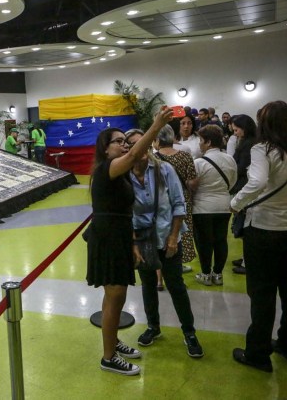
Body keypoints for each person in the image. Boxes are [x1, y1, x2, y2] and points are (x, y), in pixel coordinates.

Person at [85, 107, 173, 376]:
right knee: (115, 296)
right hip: (108, 237)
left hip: (118, 236)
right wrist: (155, 126)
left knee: (114, 297)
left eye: (125, 141)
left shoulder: (118, 173)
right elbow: (136, 153)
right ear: (105, 148)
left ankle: (112, 343)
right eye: (118, 141)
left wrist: (132, 242)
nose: (124, 145)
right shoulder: (107, 169)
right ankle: (108, 357)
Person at [230, 100, 287, 372]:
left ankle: (258, 352)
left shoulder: (262, 149)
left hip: (264, 230)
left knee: (262, 294)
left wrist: (236, 203)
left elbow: (257, 182)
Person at [125, 129, 204, 359]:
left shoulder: (164, 169)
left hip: (167, 235)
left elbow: (179, 205)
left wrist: (172, 238)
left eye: (143, 143)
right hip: (142, 240)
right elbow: (126, 213)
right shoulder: (125, 176)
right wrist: (133, 244)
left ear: (150, 144)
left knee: (176, 285)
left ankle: (189, 332)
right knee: (148, 284)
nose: (139, 148)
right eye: (133, 145)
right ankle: (153, 326)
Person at [191, 125, 238, 286]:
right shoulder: (230, 159)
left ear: (208, 142)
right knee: (220, 240)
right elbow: (233, 182)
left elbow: (192, 185)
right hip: (224, 205)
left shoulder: (198, 163)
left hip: (202, 207)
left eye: (201, 140)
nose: (199, 144)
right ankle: (218, 274)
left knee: (204, 242)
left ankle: (205, 274)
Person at [154, 124, 198, 282]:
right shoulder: (185, 156)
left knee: (160, 235)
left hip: (160, 201)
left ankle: (159, 278)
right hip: (182, 200)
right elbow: (193, 182)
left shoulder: (154, 158)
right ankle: (175, 271)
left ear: (157, 140)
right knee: (178, 235)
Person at [228, 115, 258, 275]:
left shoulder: (248, 146)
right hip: (244, 187)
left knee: (246, 226)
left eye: (236, 130)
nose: (235, 133)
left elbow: (241, 167)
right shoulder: (250, 143)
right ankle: (247, 258)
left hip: (243, 187)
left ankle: (248, 261)